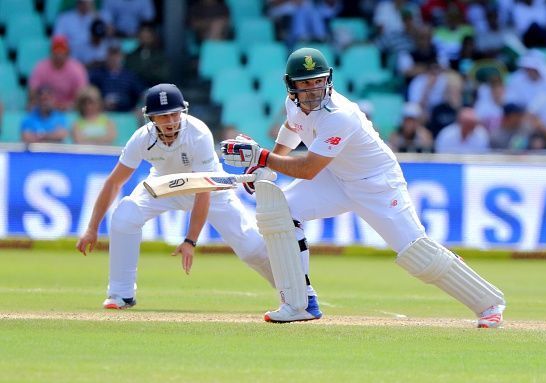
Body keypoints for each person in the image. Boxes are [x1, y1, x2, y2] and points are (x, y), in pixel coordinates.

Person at [221, 47, 506, 327]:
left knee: (416, 253)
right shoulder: (293, 104)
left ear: (328, 80)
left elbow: (307, 169)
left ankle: (488, 303)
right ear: (290, 86)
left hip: (377, 185)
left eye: (318, 81)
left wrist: (262, 157)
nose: (312, 90)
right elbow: (292, 127)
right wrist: (268, 162)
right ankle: (300, 304)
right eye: (305, 84)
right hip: (336, 178)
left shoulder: (340, 115)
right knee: (281, 211)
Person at [75, 84, 305, 313]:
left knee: (252, 248)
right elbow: (114, 182)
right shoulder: (141, 139)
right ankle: (120, 293)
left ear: (183, 111)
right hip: (163, 185)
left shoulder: (198, 133)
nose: (170, 121)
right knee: (125, 216)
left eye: (174, 114)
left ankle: (296, 295)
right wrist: (92, 228)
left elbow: (202, 189)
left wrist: (190, 240)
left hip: (211, 188)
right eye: (163, 116)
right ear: (151, 118)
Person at [29, 35, 89, 111]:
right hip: (45, 108)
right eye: (56, 51)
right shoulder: (41, 67)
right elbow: (32, 91)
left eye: (62, 51)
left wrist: (69, 106)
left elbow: (82, 94)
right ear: (51, 52)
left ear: (67, 53)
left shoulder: (77, 69)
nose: (59, 55)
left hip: (70, 109)